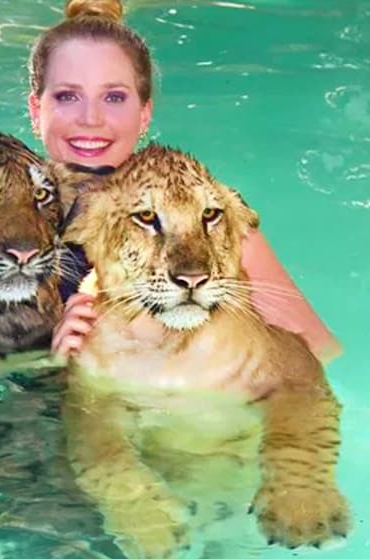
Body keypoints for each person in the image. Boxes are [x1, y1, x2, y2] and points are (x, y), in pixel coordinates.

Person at [27, 0, 341, 362]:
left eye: (114, 97)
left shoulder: (210, 216)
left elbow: (318, 357)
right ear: (37, 111)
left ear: (144, 114)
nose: (91, 119)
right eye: (68, 96)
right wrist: (48, 365)